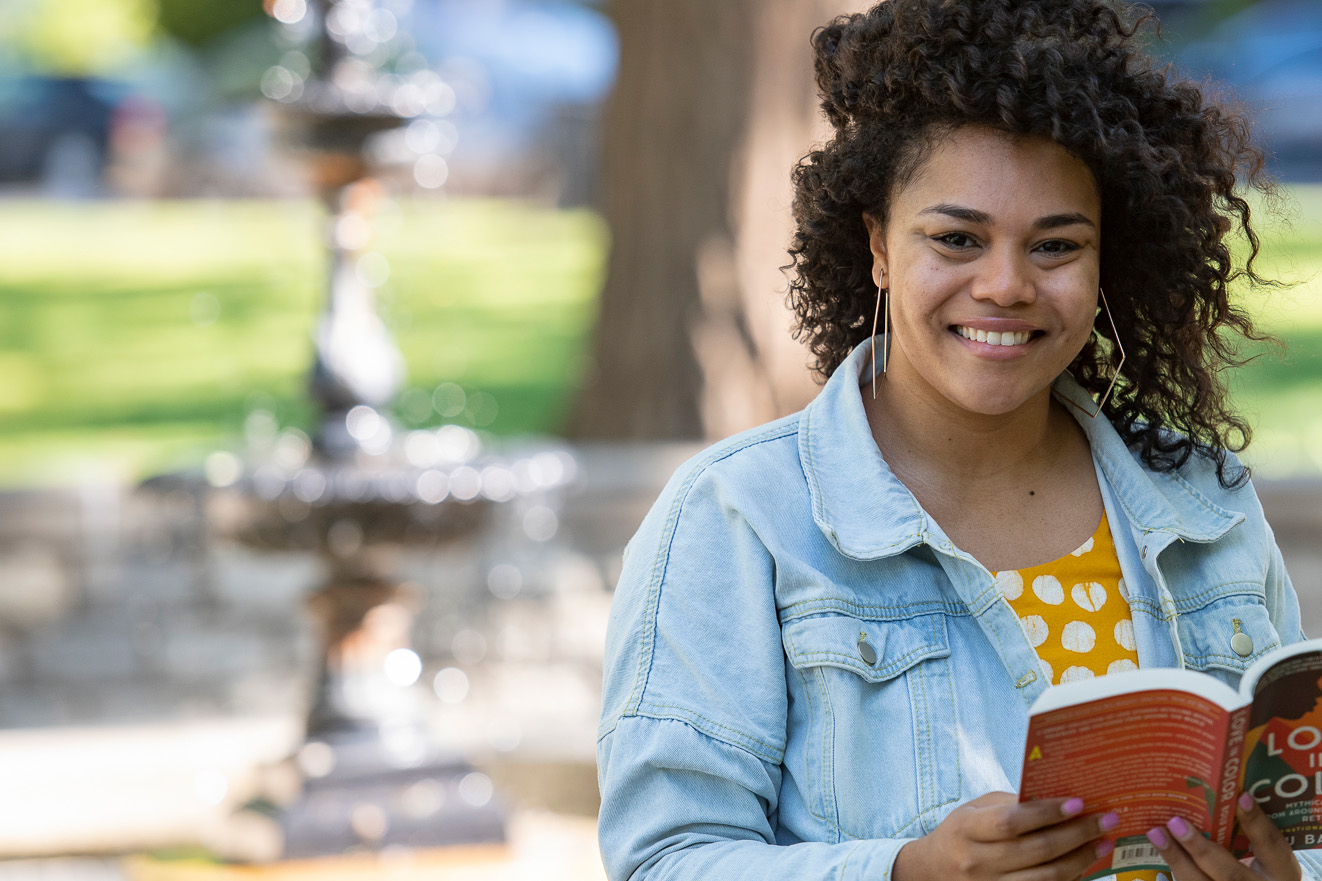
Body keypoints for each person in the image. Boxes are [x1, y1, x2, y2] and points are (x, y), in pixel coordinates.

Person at [596, 1, 1321, 880]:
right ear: (878, 248)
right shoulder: (739, 518)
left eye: (1056, 245)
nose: (1006, 285)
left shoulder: (1204, 501)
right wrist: (906, 871)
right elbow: (665, 859)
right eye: (956, 238)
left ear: (1106, 263)